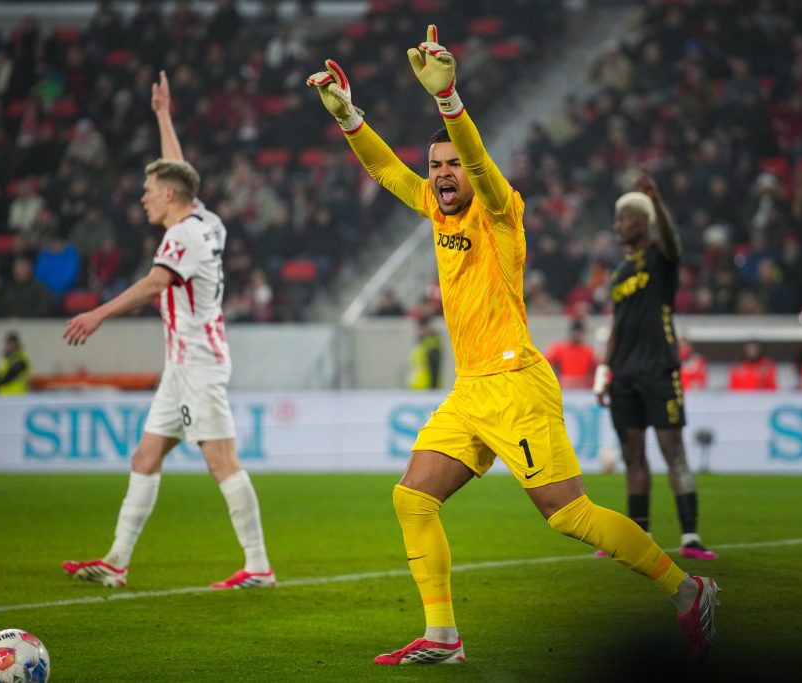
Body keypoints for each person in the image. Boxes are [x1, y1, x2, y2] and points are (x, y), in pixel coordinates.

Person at [307, 26, 719, 666]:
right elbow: (386, 170)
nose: (443, 176)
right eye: (435, 167)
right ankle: (443, 637)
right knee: (412, 497)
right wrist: (349, 118)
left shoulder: (501, 211)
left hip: (516, 385)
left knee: (568, 515)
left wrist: (449, 100)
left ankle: (689, 592)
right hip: (471, 390)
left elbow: (478, 164)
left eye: (452, 166)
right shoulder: (436, 210)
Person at [60, 71, 274, 590]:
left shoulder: (183, 238)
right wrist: (163, 116)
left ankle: (258, 566)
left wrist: (97, 314)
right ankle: (116, 561)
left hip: (199, 362)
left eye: (149, 191)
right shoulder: (206, 220)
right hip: (183, 364)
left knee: (221, 461)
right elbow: (182, 175)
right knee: (146, 455)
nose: (143, 199)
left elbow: (156, 283)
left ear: (170, 196)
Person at [593, 173, 718, 564]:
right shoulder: (619, 272)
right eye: (617, 219)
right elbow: (617, 325)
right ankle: (639, 536)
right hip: (624, 375)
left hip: (660, 369)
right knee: (633, 456)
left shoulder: (661, 258)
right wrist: (603, 371)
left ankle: (691, 537)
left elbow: (673, 241)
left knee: (672, 452)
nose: (617, 225)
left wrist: (657, 201)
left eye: (624, 218)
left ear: (643, 222)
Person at [544, 317, 598, 389]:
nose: (578, 335)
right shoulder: (560, 349)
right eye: (576, 332)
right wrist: (555, 378)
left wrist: (589, 382)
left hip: (582, 389)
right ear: (571, 332)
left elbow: (596, 369)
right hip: (565, 388)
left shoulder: (588, 351)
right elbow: (546, 362)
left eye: (580, 333)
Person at [408, 315, 443, 390]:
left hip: (429, 386)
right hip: (418, 386)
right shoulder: (420, 344)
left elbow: (435, 368)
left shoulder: (432, 344)